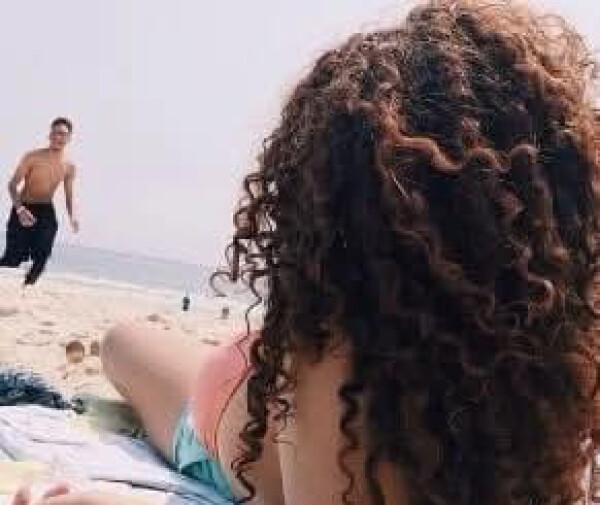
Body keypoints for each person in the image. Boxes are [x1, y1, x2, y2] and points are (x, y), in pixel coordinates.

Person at [13, 1, 600, 504]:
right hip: (252, 390)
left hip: (229, 411)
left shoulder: (332, 362)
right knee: (127, 343)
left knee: (125, 343)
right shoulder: (560, 360)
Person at [0, 117, 79, 285]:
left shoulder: (69, 166)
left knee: (42, 256)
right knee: (12, 259)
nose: (59, 137)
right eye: (56, 133)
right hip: (24, 207)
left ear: (69, 138)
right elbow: (12, 185)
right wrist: (20, 210)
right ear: (50, 135)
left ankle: (26, 287)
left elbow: (69, 195)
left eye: (63, 134)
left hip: (45, 211)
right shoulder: (32, 157)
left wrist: (72, 216)